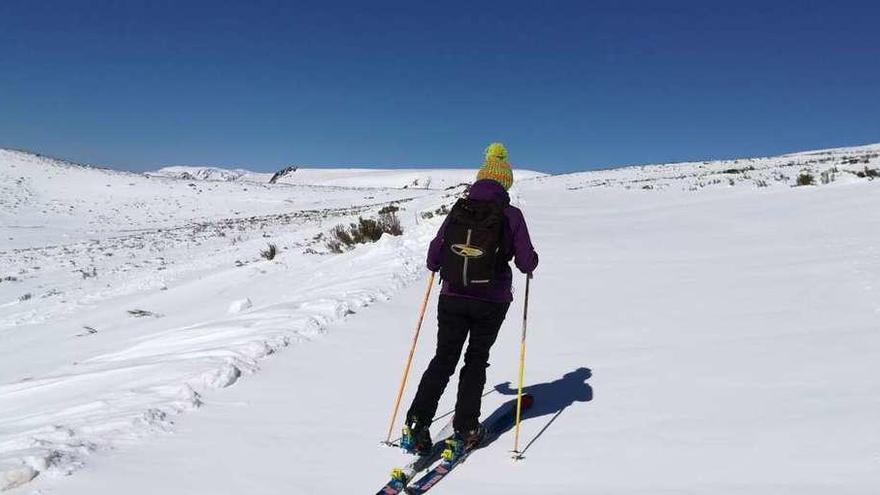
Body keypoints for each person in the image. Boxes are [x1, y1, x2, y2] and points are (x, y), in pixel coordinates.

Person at [402, 142, 539, 459]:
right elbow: (525, 262)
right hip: (491, 301)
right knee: (475, 360)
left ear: (479, 180)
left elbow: (434, 256)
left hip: (452, 296)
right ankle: (465, 427)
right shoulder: (511, 215)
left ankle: (416, 422)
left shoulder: (459, 210)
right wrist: (533, 261)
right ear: (505, 183)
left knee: (443, 359)